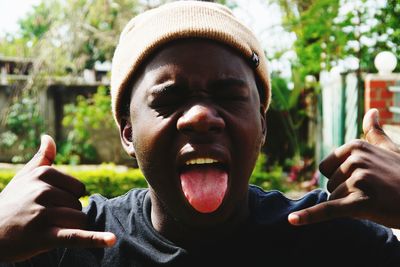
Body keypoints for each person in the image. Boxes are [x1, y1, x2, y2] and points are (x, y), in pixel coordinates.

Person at [1, 1, 400, 266]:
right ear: (127, 133)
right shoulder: (64, 247)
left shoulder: (331, 241)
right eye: (169, 97)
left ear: (261, 127)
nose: (200, 116)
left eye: (229, 95)